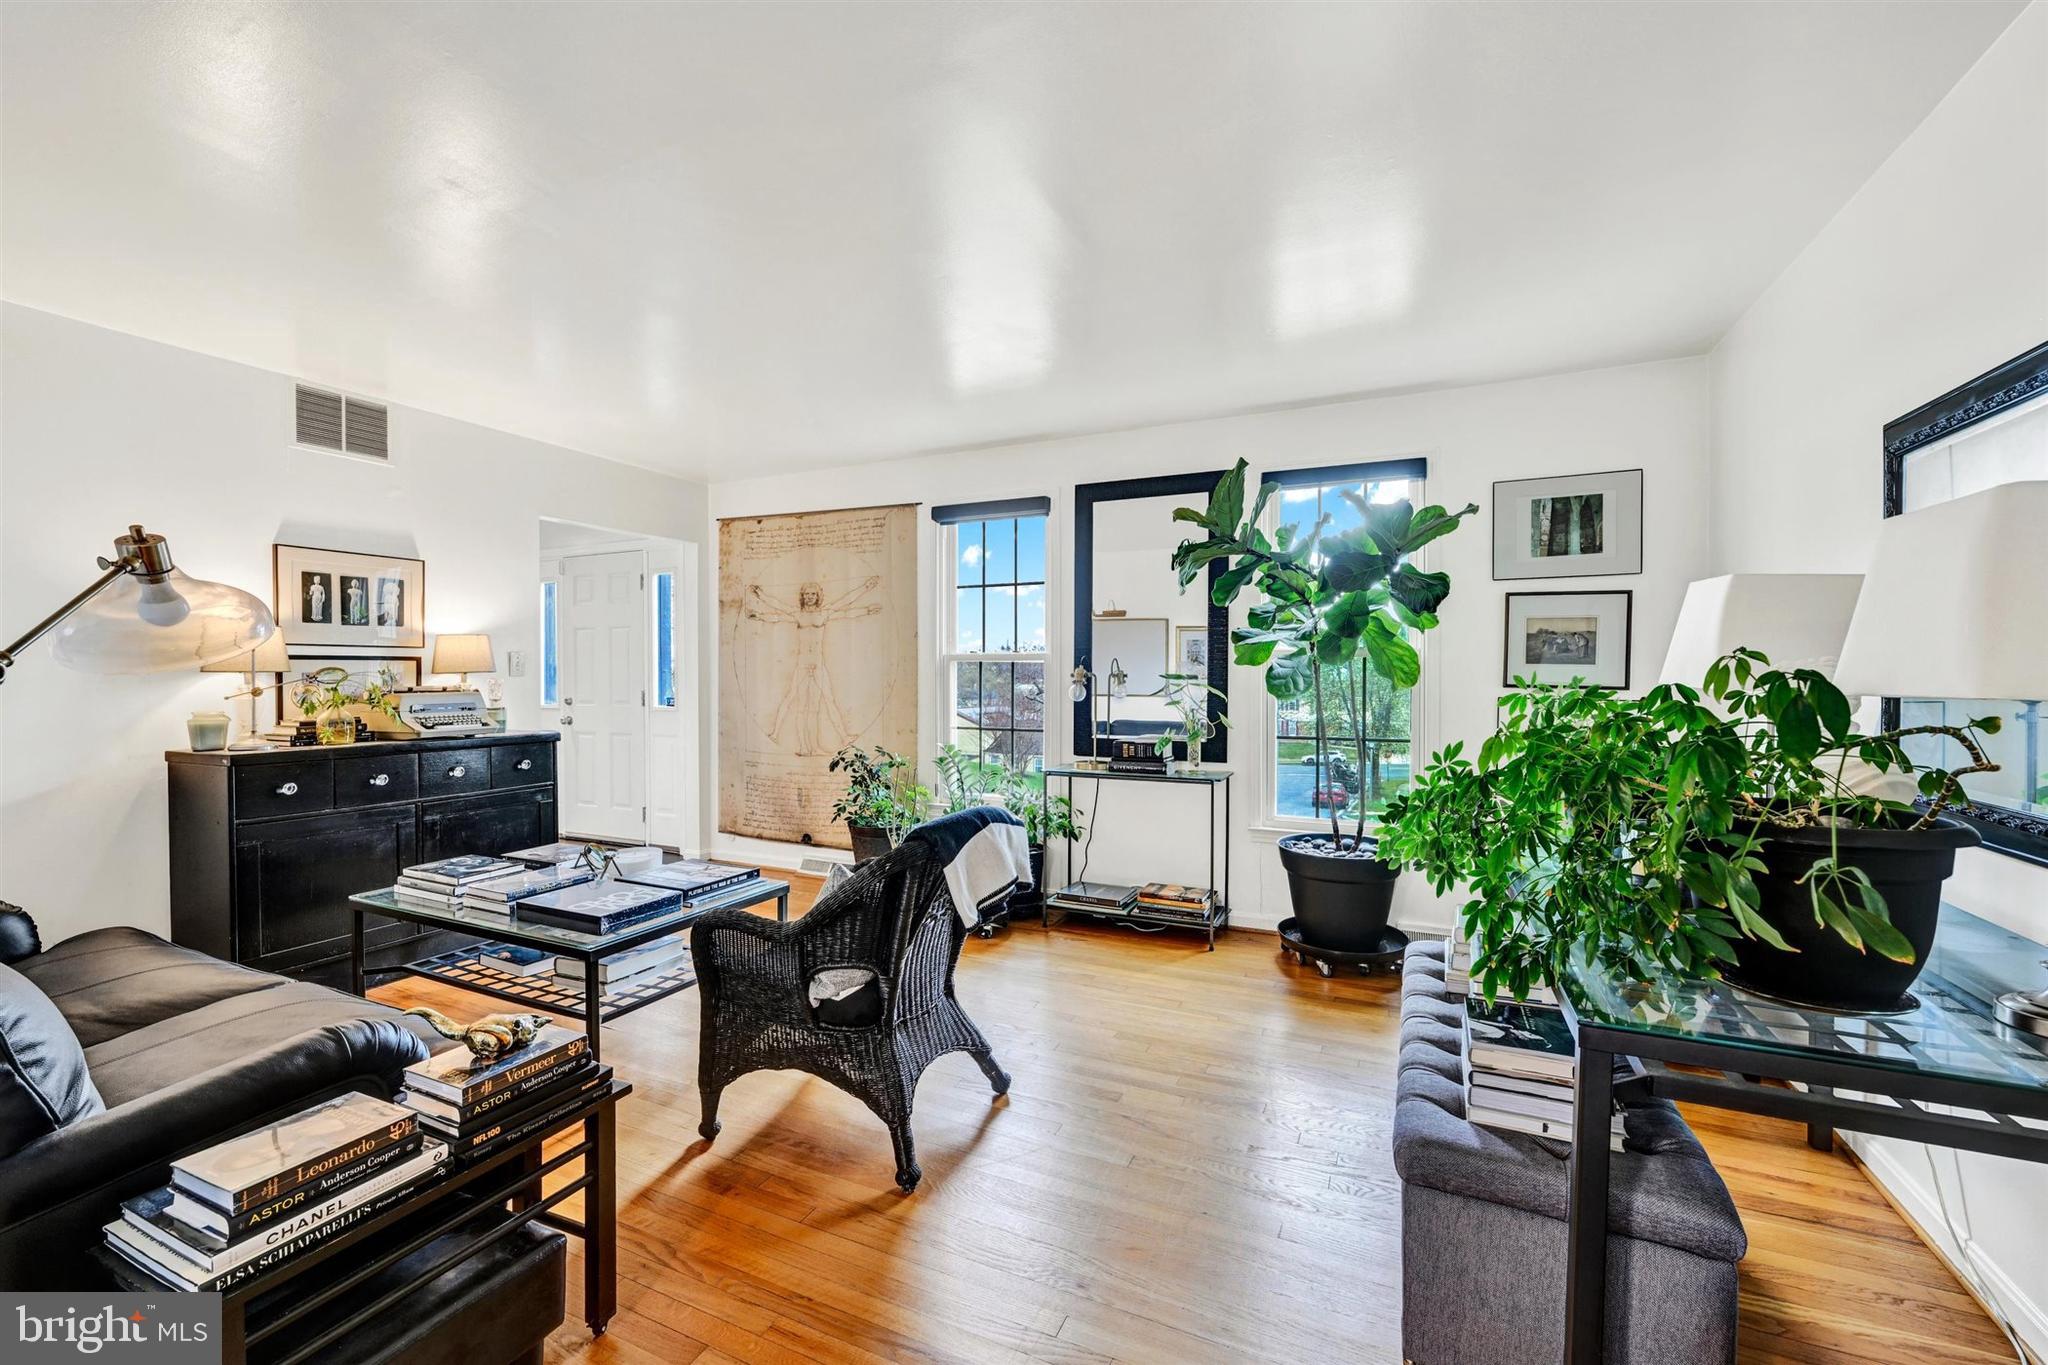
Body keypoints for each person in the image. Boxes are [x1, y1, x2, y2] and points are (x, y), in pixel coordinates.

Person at [744, 577, 881, 756]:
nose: (809, 597)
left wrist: (866, 597)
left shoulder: (824, 613)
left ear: (818, 596)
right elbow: (777, 612)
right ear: (802, 596)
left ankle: (831, 741)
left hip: (818, 664)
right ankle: (779, 735)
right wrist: (759, 601)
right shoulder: (797, 614)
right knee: (794, 701)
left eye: (813, 594)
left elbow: (845, 607)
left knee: (825, 703)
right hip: (802, 664)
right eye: (807, 594)